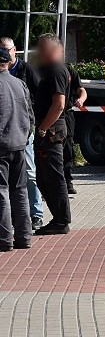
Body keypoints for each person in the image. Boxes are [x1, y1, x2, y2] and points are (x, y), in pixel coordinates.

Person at [1, 37, 44, 230]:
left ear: (14, 50)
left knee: (27, 176)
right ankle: (23, 231)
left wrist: (30, 132)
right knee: (17, 186)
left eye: (7, 49)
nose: (6, 52)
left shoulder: (26, 71)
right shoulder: (16, 81)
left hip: (16, 137)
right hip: (18, 137)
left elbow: (34, 103)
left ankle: (34, 214)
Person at [33, 34, 72, 236]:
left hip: (52, 130)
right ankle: (58, 219)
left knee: (54, 177)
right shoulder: (54, 70)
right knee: (43, 178)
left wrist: (42, 129)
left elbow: (59, 105)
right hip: (51, 128)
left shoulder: (57, 70)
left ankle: (61, 220)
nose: (39, 53)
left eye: (42, 49)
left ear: (54, 50)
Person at [0, 47, 35, 251]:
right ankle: (24, 237)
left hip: (2, 146)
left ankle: (4, 239)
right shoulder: (19, 84)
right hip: (19, 144)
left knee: (2, 191)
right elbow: (30, 116)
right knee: (20, 191)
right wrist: (24, 136)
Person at [63, 64, 86, 195]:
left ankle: (68, 181)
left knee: (68, 149)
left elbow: (81, 90)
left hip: (67, 114)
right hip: (50, 114)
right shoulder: (43, 69)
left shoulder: (69, 70)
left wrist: (81, 99)